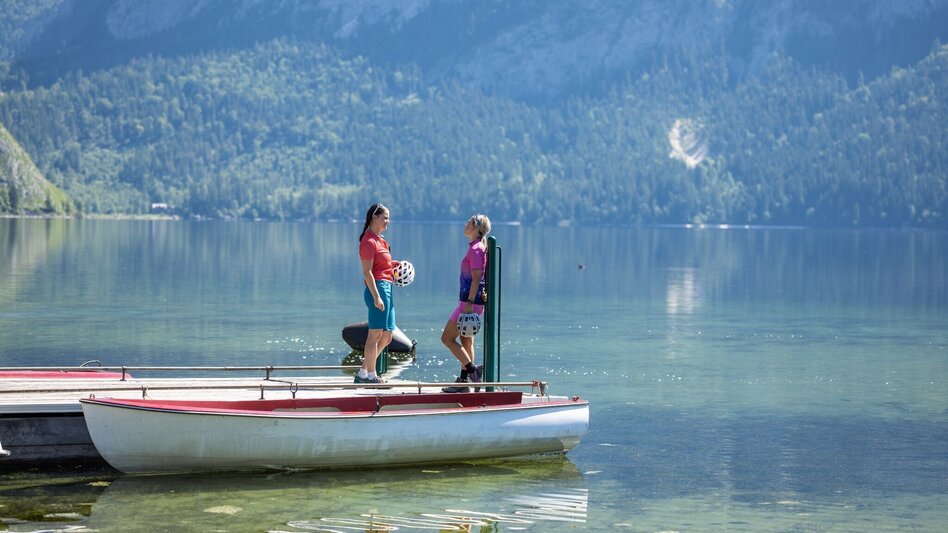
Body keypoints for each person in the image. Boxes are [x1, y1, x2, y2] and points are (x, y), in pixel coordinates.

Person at [441, 213, 492, 393]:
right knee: (466, 342)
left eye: (469, 222)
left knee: (446, 338)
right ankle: (464, 383)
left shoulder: (476, 249)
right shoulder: (476, 247)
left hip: (469, 303)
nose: (466, 223)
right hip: (471, 302)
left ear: (476, 228)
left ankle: (473, 371)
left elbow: (477, 278)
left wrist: (469, 302)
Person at [356, 203, 397, 384]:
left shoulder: (382, 241)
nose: (387, 221)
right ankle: (371, 376)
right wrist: (376, 296)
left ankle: (363, 371)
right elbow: (367, 272)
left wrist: (396, 267)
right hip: (377, 289)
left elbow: (384, 265)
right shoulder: (368, 241)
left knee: (387, 336)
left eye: (388, 217)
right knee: (374, 335)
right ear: (374, 217)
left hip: (387, 287)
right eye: (385, 217)